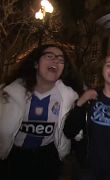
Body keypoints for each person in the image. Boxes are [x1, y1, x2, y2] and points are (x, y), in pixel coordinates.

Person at [0, 44, 81, 180]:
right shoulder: (7, 93)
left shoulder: (69, 97)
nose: (56, 60)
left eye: (61, 59)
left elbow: (75, 133)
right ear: (36, 64)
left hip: (48, 160)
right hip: (13, 159)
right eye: (50, 56)